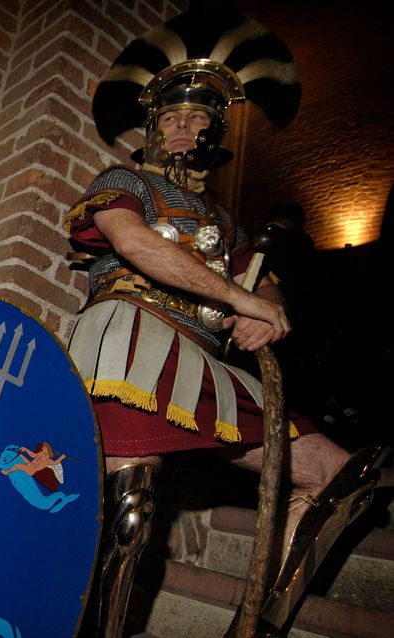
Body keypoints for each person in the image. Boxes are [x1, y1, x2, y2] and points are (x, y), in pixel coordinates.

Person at [65, 12, 387, 637]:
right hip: (133, 335)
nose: (185, 128)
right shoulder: (123, 180)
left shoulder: (226, 219)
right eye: (173, 118)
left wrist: (270, 311)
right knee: (129, 509)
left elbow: (261, 285)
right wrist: (242, 301)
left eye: (199, 118)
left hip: (204, 357)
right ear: (153, 128)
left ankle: (257, 622)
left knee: (339, 475)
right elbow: (133, 243)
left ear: (216, 130)